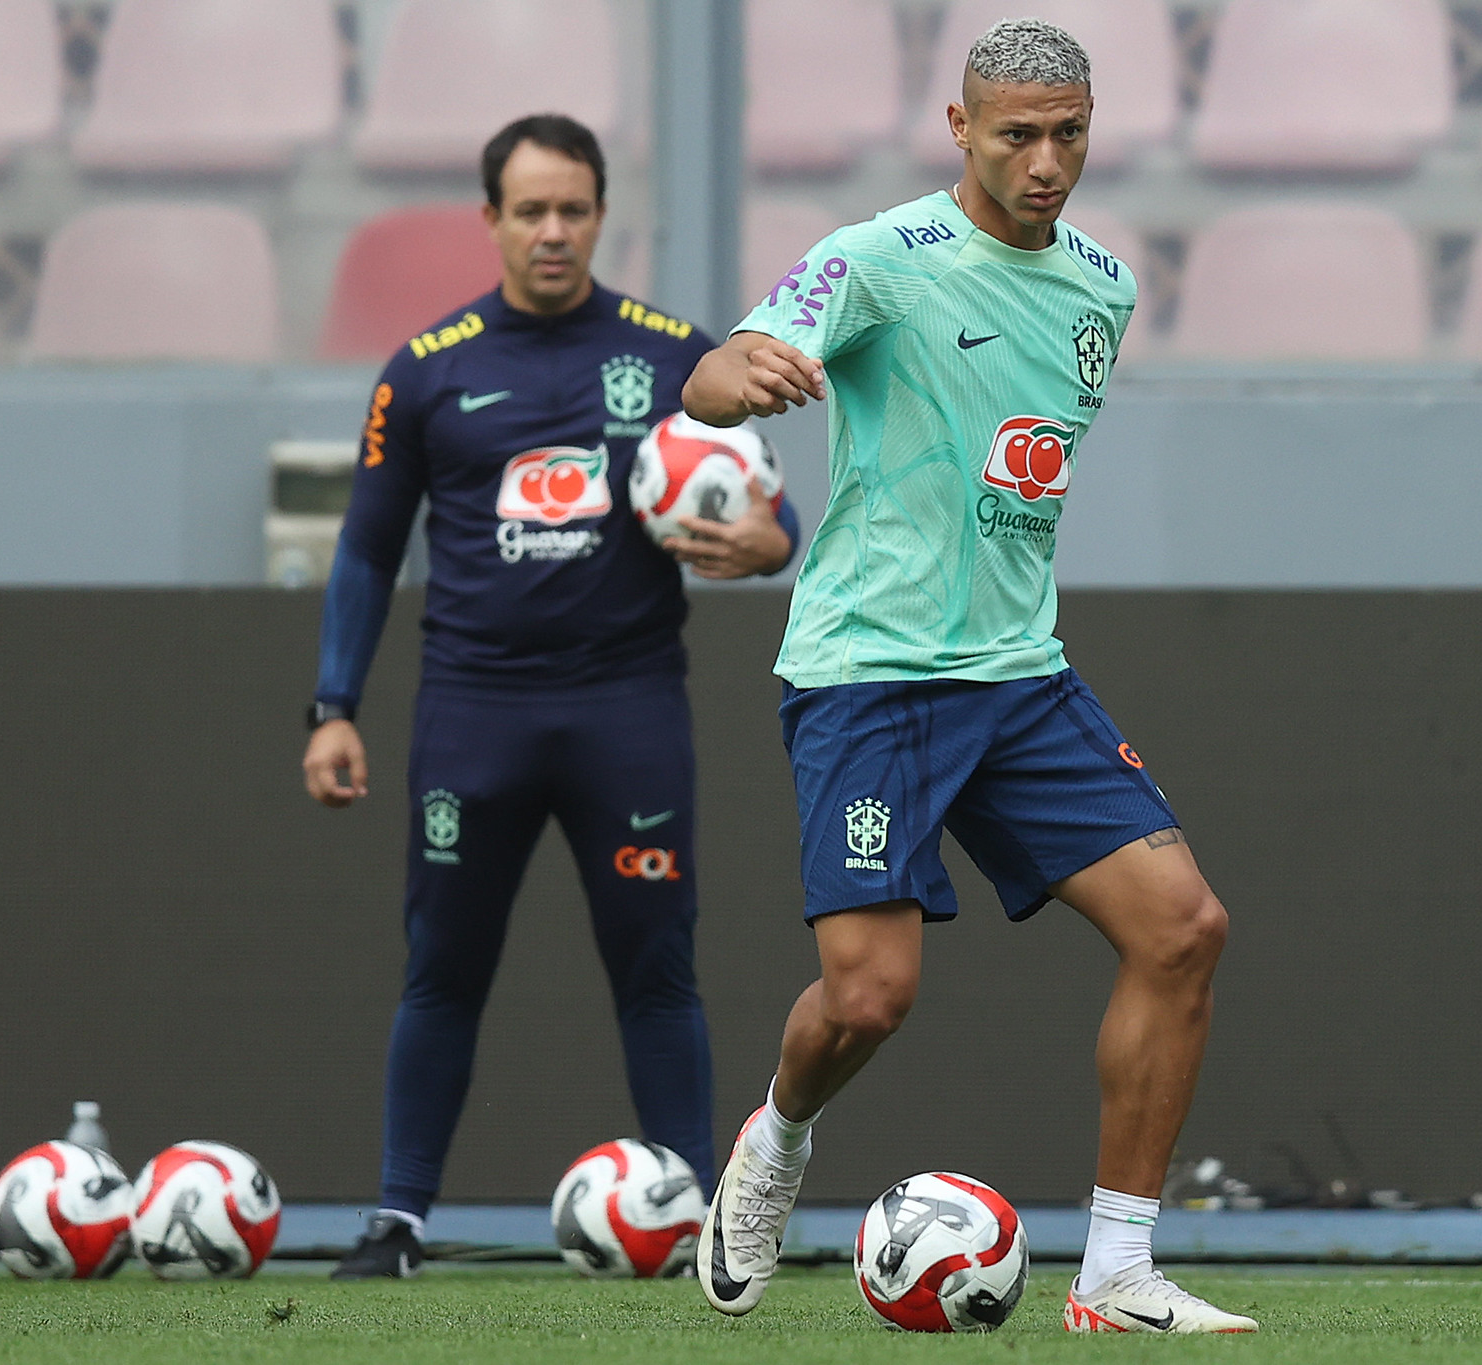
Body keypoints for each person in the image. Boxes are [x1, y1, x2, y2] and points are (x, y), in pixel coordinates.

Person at [680, 20, 1256, 1335]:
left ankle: (1115, 1273)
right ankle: (775, 1139)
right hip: (871, 675)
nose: (1047, 161)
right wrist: (731, 378)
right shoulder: (879, 259)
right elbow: (719, 370)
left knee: (1186, 929)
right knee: (871, 997)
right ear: (959, 127)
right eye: (1017, 135)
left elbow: (1024, 465)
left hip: (1018, 674)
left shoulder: (1103, 286)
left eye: (1070, 133)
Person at [303, 113, 801, 1280]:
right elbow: (367, 551)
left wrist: (770, 545)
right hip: (473, 715)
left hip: (625, 710)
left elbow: (769, 507)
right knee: (443, 967)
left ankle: (703, 1220)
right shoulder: (426, 371)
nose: (552, 231)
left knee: (655, 964)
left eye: (572, 208)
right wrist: (332, 703)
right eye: (529, 210)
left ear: (599, 213)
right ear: (490, 220)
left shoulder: (673, 353)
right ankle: (400, 1218)